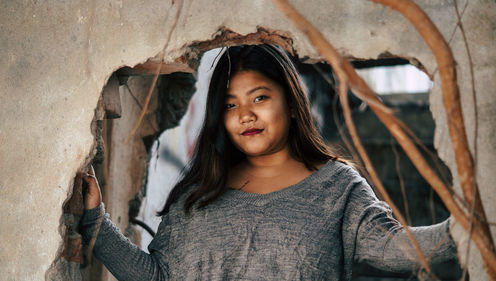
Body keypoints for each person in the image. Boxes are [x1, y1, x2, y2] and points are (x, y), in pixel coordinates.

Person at [81, 44, 458, 280]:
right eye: (230, 105)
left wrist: (472, 223)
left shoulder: (337, 188)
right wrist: (95, 218)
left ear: (292, 104)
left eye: (259, 98)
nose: (244, 115)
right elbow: (157, 278)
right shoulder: (198, 194)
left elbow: (398, 250)